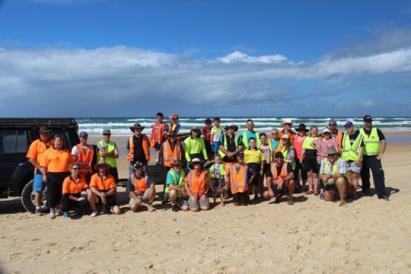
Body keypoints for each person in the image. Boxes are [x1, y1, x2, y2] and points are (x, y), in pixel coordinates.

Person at [40, 134, 74, 218]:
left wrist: (71, 175)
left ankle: (59, 209)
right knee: (51, 193)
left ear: (63, 143)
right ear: (53, 142)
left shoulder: (67, 152)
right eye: (57, 141)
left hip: (65, 175)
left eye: (60, 141)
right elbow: (43, 166)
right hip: (52, 175)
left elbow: (71, 165)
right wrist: (44, 175)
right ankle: (52, 210)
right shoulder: (48, 152)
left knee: (62, 193)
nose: (59, 143)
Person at [357, 115, 388, 200]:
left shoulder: (377, 130)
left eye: (370, 121)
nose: (368, 122)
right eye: (367, 121)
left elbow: (383, 141)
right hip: (363, 157)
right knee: (364, 175)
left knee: (379, 174)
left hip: (375, 157)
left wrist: (381, 154)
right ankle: (366, 190)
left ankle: (382, 193)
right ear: (364, 122)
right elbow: (353, 142)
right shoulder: (359, 131)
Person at [26, 126, 51, 215]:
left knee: (51, 190)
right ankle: (37, 208)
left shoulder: (51, 143)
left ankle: (50, 207)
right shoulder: (35, 144)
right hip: (39, 171)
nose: (46, 135)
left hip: (51, 170)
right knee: (38, 190)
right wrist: (40, 167)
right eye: (44, 133)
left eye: (47, 133)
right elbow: (30, 159)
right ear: (40, 134)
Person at [341, 121, 363, 199]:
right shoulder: (344, 136)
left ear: (352, 127)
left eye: (349, 127)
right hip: (346, 160)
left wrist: (358, 159)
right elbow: (342, 148)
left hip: (355, 160)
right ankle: (349, 193)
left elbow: (361, 148)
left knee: (355, 177)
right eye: (346, 127)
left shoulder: (359, 136)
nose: (348, 128)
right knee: (348, 177)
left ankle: (354, 193)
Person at [158, 132, 184, 198]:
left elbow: (182, 154)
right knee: (166, 181)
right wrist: (162, 162)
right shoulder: (164, 144)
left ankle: (177, 194)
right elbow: (160, 154)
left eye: (174, 136)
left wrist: (182, 163)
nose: (173, 138)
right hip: (167, 165)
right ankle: (165, 195)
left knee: (178, 179)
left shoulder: (179, 144)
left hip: (176, 165)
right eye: (171, 136)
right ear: (169, 137)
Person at [126, 123, 150, 192]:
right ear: (134, 130)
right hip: (133, 162)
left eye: (139, 129)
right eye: (136, 129)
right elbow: (128, 149)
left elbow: (148, 147)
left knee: (145, 178)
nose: (137, 131)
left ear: (141, 130)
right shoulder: (130, 139)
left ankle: (145, 193)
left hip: (143, 162)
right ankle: (132, 193)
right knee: (132, 178)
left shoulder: (145, 138)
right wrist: (130, 157)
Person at [302, 126, 320, 195]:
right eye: (313, 130)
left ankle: (315, 189)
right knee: (309, 173)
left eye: (316, 130)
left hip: (315, 156)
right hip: (307, 157)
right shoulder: (307, 138)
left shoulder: (318, 138)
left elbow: (319, 148)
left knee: (315, 174)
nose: (314, 131)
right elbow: (303, 148)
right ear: (310, 131)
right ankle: (310, 189)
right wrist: (301, 157)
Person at [293, 123, 308, 191]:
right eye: (300, 130)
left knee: (303, 172)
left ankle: (304, 186)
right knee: (295, 172)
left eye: (303, 130)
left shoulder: (307, 137)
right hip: (295, 157)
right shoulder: (295, 136)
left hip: (304, 158)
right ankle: (296, 186)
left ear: (305, 131)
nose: (301, 132)